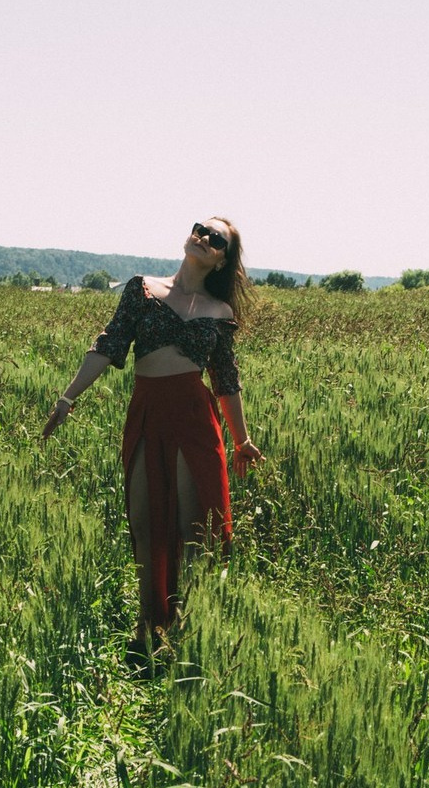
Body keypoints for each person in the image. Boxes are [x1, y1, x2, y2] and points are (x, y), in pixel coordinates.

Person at [41, 217, 264, 664]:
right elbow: (108, 345)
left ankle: (180, 627)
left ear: (222, 259)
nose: (203, 237)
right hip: (147, 414)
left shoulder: (220, 312)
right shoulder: (142, 290)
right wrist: (67, 398)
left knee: (191, 528)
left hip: (195, 421)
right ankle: (147, 624)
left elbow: (226, 380)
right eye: (200, 228)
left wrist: (242, 441)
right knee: (145, 521)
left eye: (215, 238)